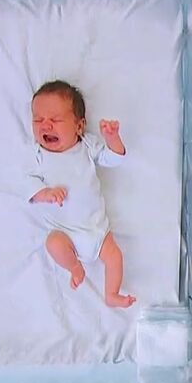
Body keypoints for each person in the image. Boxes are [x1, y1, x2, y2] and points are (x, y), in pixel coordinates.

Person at [27, 80, 134, 308]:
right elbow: (27, 184)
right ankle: (75, 267)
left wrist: (112, 139)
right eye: (38, 120)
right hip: (65, 232)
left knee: (114, 257)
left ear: (79, 126)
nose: (46, 126)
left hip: (98, 230)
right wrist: (45, 193)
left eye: (55, 120)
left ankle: (112, 293)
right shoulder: (38, 156)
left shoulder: (86, 146)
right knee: (53, 243)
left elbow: (113, 159)